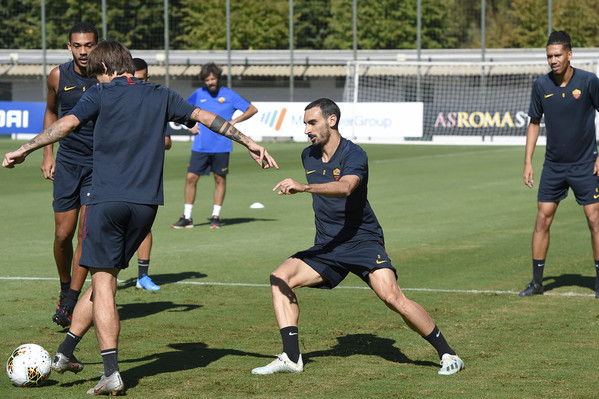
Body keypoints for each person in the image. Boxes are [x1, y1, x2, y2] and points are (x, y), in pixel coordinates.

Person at [3, 40, 278, 395]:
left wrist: (24, 149)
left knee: (102, 284)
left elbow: (66, 124)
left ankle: (112, 372)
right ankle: (65, 353)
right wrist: (249, 141)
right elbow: (206, 118)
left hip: (106, 201)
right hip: (146, 206)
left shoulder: (100, 94)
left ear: (103, 68)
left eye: (94, 74)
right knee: (106, 276)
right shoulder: (161, 94)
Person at [251, 98, 464, 376]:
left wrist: (303, 187)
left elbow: (346, 187)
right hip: (328, 246)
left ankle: (448, 354)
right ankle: (291, 358)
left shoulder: (355, 154)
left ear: (332, 120)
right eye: (304, 124)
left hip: (363, 241)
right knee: (280, 278)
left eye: (312, 122)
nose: (306, 130)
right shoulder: (308, 155)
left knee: (392, 298)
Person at [520, 30, 599, 298]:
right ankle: (537, 283)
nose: (553, 60)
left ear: (569, 54)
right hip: (553, 167)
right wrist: (528, 161)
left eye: (557, 55)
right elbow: (533, 123)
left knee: (594, 220)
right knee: (542, 220)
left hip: (585, 165)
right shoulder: (541, 86)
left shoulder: (589, 81)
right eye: (549, 56)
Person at [40, 22, 98, 327]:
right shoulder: (58, 75)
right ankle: (65, 287)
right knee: (62, 235)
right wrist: (48, 152)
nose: (84, 51)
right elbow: (51, 111)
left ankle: (70, 302)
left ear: (97, 45)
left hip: (98, 167)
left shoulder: (106, 75)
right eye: (78, 45)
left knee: (84, 236)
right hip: (67, 163)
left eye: (89, 45)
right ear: (69, 47)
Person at [171, 62, 258, 229]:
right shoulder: (198, 94)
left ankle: (215, 216)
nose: (210, 82)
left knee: (219, 179)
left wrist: (234, 121)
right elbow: (182, 110)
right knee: (190, 178)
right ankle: (187, 217)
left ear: (218, 78)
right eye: (207, 79)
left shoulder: (229, 95)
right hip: (200, 146)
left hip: (222, 146)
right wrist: (190, 126)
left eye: (213, 78)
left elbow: (252, 109)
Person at [131, 57, 170, 291]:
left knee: (143, 224)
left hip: (145, 173)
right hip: (116, 173)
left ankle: (142, 276)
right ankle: (107, 271)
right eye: (133, 80)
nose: (138, 83)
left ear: (148, 79)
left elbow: (166, 141)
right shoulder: (116, 101)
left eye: (141, 79)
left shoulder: (156, 104)